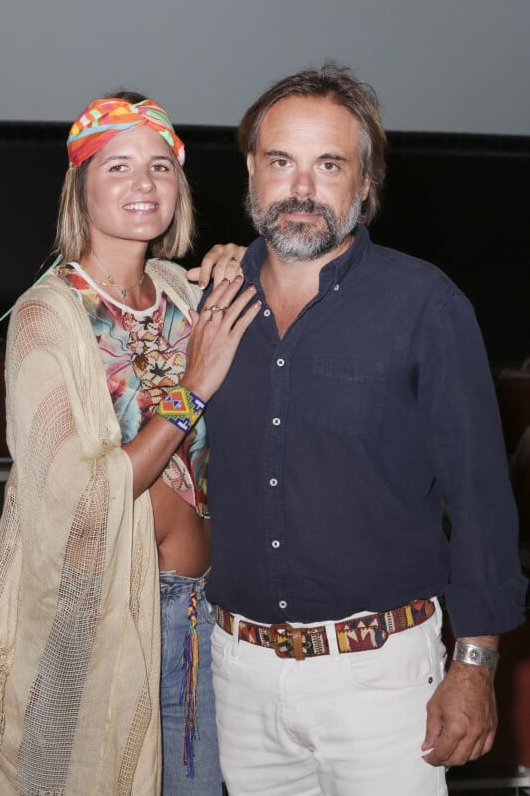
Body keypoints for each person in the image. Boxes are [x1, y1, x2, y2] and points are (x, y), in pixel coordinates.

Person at [203, 64, 528, 796]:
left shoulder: (425, 305)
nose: (301, 189)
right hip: (240, 678)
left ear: (366, 184)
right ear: (252, 171)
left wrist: (474, 664)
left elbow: (480, 498)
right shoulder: (208, 302)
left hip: (382, 683)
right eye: (281, 162)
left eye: (329, 165)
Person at [0, 92, 259, 795]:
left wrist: (251, 263)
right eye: (118, 166)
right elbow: (73, 494)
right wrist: (192, 388)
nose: (143, 183)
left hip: (206, 612)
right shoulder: (47, 315)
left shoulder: (183, 293)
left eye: (160, 166)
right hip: (105, 620)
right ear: (81, 188)